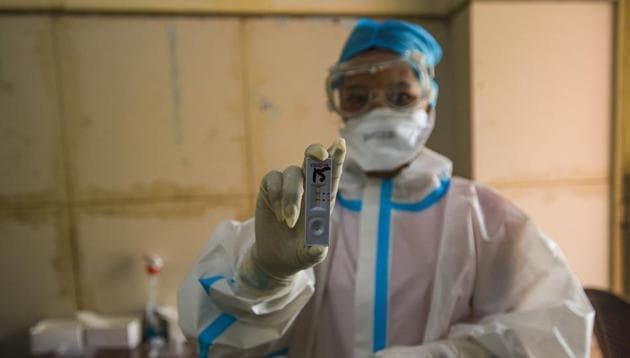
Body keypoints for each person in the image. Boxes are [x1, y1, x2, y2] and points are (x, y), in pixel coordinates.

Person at [178, 18, 594, 357]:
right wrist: (263, 278)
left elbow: (556, 330)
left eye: (400, 95)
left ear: (429, 102)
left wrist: (452, 355)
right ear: (337, 107)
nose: (378, 109)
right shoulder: (305, 215)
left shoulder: (484, 217)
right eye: (357, 97)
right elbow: (212, 341)